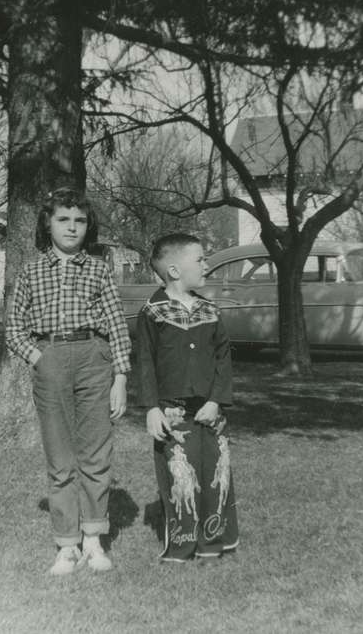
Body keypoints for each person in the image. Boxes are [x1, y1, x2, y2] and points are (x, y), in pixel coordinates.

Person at [5, 187, 131, 576]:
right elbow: (14, 329)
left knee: (95, 454)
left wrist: (120, 377)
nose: (72, 227)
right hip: (51, 359)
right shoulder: (31, 270)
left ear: (86, 225)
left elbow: (116, 324)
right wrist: (40, 358)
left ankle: (93, 540)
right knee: (61, 460)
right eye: (63, 219)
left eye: (79, 220)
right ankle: (67, 545)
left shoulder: (98, 268)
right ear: (48, 223)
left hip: (94, 359)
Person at [134, 232, 239, 563]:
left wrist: (216, 400)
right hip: (173, 413)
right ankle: (182, 542)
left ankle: (213, 542)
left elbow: (223, 359)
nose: (206, 264)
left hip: (209, 411)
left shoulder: (210, 310)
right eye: (200, 259)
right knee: (181, 478)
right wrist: (151, 408)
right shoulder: (153, 312)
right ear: (175, 270)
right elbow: (146, 363)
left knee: (214, 474)